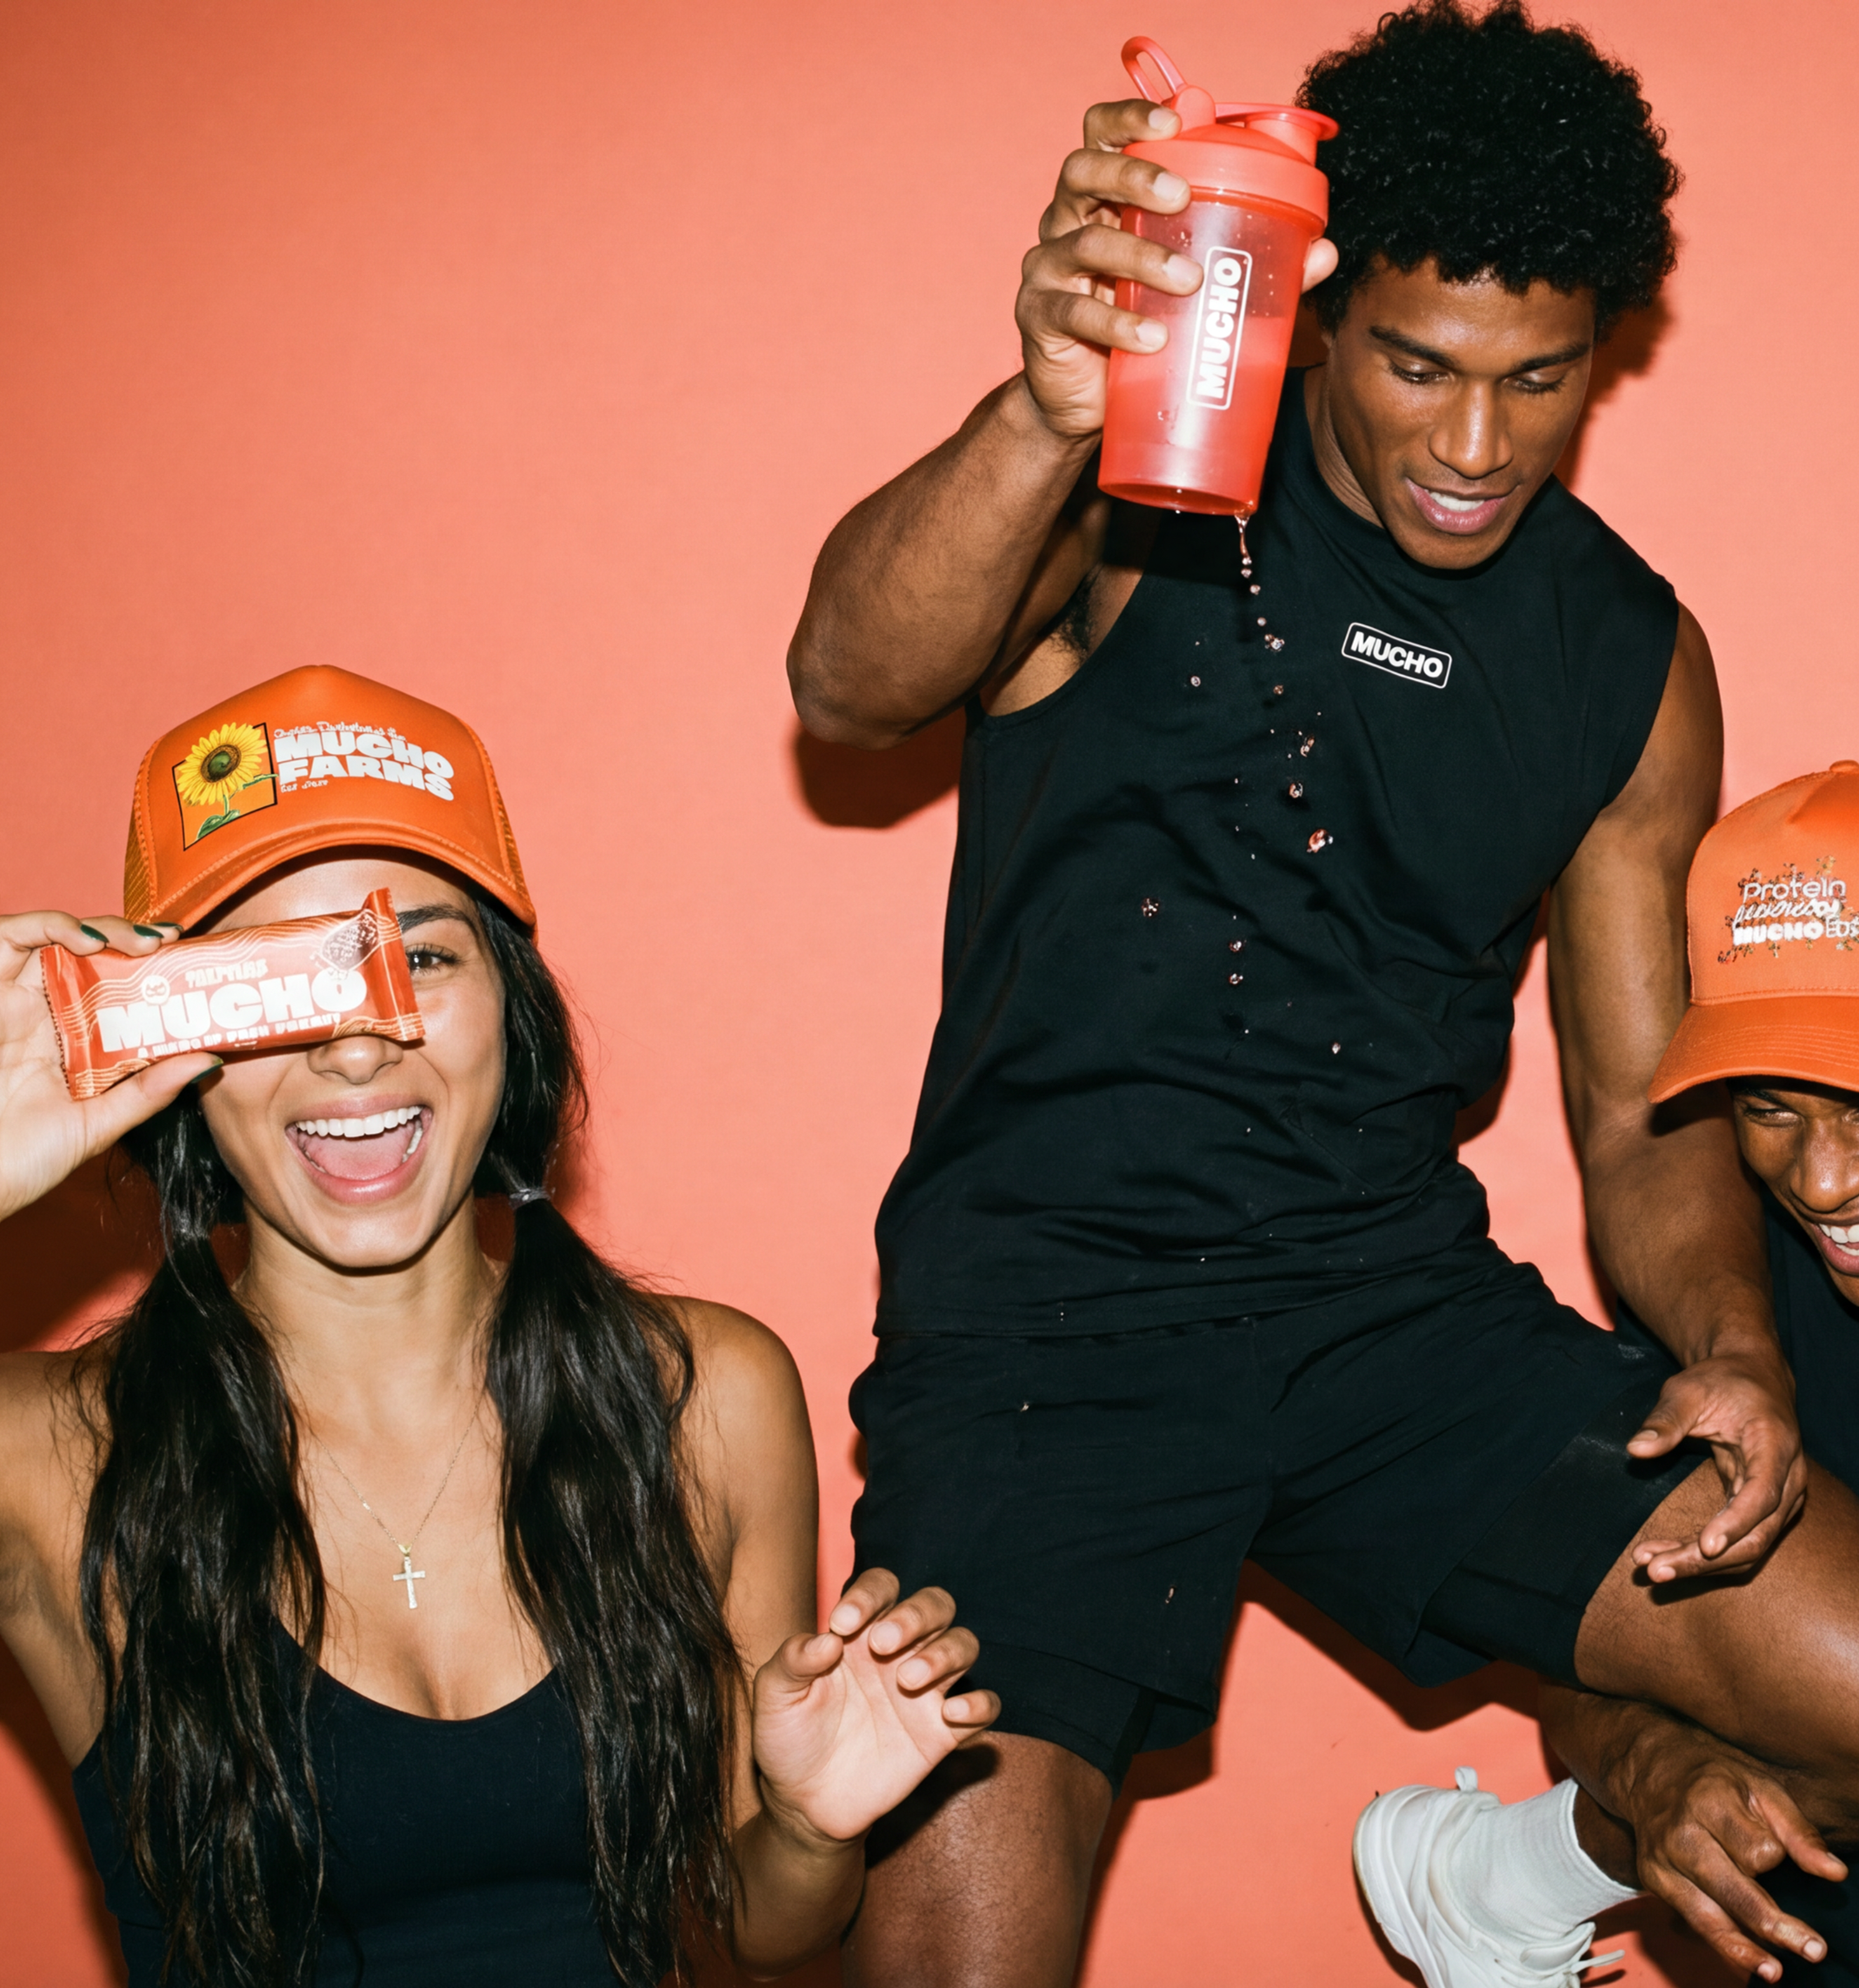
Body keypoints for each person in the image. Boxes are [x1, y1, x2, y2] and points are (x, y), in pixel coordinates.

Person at [788, 4, 1859, 1983]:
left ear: (1601, 351)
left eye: (1540, 381)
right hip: (1056, 1330)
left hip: (1392, 1318)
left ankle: (1536, 1854)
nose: (1478, 446)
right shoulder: (1143, 476)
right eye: (1421, 368)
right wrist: (1043, 406)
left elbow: (1639, 1118)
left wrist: (1739, 1352)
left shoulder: (1628, 657)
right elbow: (846, 689)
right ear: (1324, 308)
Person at [0, 663, 996, 1986]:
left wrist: (807, 1830)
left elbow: (750, 1923)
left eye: (415, 954)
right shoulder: (21, 1456)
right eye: (279, 979)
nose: (356, 1042)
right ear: (165, 1040)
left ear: (510, 1018)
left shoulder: (704, 1391)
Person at [1358, 761, 1859, 1988]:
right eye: (1768, 1106)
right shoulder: (1738, 1299)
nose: (1823, 1180)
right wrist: (1652, 1782)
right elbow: (1590, 1659)